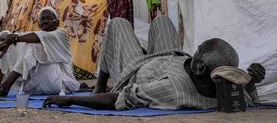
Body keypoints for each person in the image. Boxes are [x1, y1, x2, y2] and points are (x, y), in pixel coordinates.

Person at [43, 17, 265, 110]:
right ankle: (101, 83)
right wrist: (251, 82)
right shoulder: (222, 84)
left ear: (200, 68)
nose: (194, 55)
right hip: (169, 58)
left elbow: (118, 100)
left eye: (196, 55)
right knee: (161, 21)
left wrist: (71, 99)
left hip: (138, 68)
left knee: (118, 23)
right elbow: (249, 100)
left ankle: (100, 84)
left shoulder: (172, 90)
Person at [0, 6, 79, 98]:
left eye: (50, 18)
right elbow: (5, 34)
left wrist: (10, 41)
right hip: (37, 85)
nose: (46, 21)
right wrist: (6, 40)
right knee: (10, 41)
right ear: (38, 24)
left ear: (57, 22)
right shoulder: (36, 34)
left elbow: (35, 37)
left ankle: (4, 87)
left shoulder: (61, 34)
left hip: (59, 82)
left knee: (33, 43)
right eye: (43, 19)